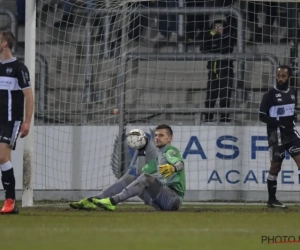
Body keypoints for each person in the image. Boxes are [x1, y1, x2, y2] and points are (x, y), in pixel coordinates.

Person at [69, 124, 186, 211]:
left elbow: (180, 163)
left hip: (172, 200)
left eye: (161, 135)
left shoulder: (170, 150)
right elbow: (140, 174)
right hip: (159, 200)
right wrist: (141, 151)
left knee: (145, 178)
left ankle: (112, 201)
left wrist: (173, 168)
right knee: (130, 177)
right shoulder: (158, 156)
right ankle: (94, 200)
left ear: (170, 138)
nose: (157, 137)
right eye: (155, 135)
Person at [0, 30, 34, 214]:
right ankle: (10, 201)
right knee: (3, 159)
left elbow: (28, 96)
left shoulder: (19, 69)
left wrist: (27, 121)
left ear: (4, 44)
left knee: (2, 156)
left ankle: (10, 200)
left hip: (11, 119)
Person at [259, 65, 300, 208]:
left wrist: (290, 120)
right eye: (279, 76)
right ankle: (272, 200)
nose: (281, 79)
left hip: (291, 134)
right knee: (275, 167)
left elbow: (291, 112)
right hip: (276, 136)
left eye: (284, 76)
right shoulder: (269, 95)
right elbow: (262, 116)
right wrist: (278, 123)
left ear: (289, 77)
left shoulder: (293, 92)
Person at [201, 19, 235, 122]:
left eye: (220, 27)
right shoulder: (210, 37)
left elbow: (226, 49)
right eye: (215, 27)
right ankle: (208, 117)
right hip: (213, 71)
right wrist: (212, 35)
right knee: (210, 96)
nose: (218, 29)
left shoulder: (228, 38)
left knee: (225, 96)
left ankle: (224, 117)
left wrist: (213, 47)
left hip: (225, 71)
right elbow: (203, 48)